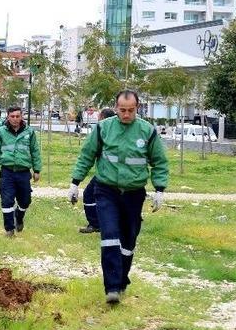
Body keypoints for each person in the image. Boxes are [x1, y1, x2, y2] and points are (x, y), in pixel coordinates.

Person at [68, 90, 168, 305]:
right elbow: (87, 155)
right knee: (110, 236)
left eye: (130, 110)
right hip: (107, 190)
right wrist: (75, 183)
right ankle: (111, 287)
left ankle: (122, 280)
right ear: (116, 108)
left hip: (134, 194)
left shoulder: (147, 131)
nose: (126, 114)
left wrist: (159, 189)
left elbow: (159, 162)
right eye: (122, 110)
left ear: (137, 108)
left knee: (128, 240)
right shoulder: (103, 128)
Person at [0, 106, 42, 237]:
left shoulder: (29, 131)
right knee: (6, 201)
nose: (15, 119)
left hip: (23, 172)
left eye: (18, 116)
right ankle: (9, 229)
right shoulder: (1, 131)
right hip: (7, 172)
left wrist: (37, 170)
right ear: (8, 117)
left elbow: (35, 151)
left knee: (25, 201)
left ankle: (19, 215)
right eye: (12, 116)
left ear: (21, 116)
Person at [71, 107, 117, 234]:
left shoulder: (103, 131)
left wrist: (74, 183)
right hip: (108, 173)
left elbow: (88, 155)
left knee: (90, 195)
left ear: (102, 117)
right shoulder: (110, 130)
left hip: (106, 174)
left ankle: (95, 223)